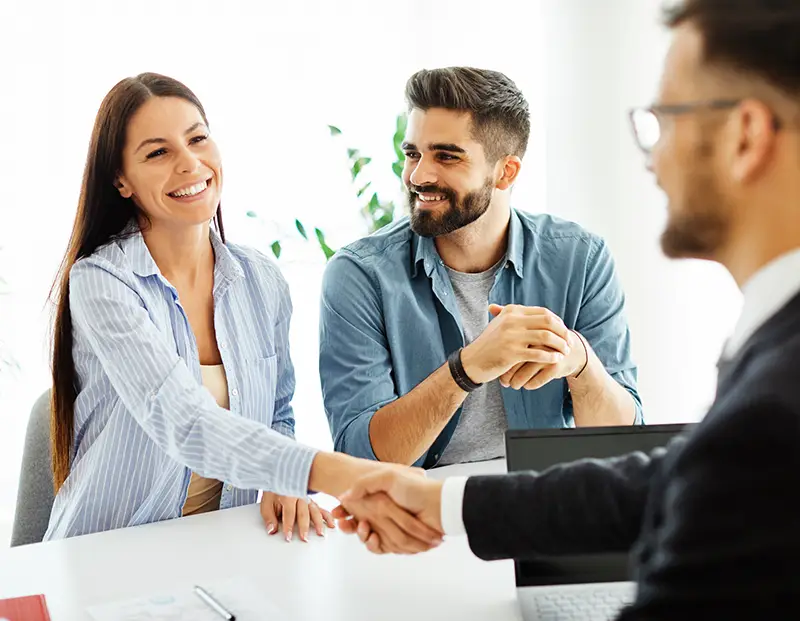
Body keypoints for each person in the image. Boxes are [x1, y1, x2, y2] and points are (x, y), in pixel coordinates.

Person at [335, 0, 800, 617]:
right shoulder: (771, 346)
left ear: (745, 136)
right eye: (411, 152)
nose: (650, 158)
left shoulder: (777, 395)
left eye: (664, 120)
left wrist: (579, 362)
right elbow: (670, 482)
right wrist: (449, 506)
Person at [45, 73, 441, 552]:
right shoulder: (103, 282)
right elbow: (184, 420)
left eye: (197, 139)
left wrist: (282, 479)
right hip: (108, 551)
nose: (190, 164)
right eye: (157, 152)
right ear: (120, 180)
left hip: (226, 544)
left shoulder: (260, 278)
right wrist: (347, 476)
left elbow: (276, 411)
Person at [320, 67, 642, 469]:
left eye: (446, 156)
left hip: (543, 503)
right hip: (421, 514)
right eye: (413, 154)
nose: (418, 176)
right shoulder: (360, 275)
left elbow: (622, 443)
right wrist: (467, 367)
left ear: (505, 172)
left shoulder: (581, 259)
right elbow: (357, 459)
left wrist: (579, 361)